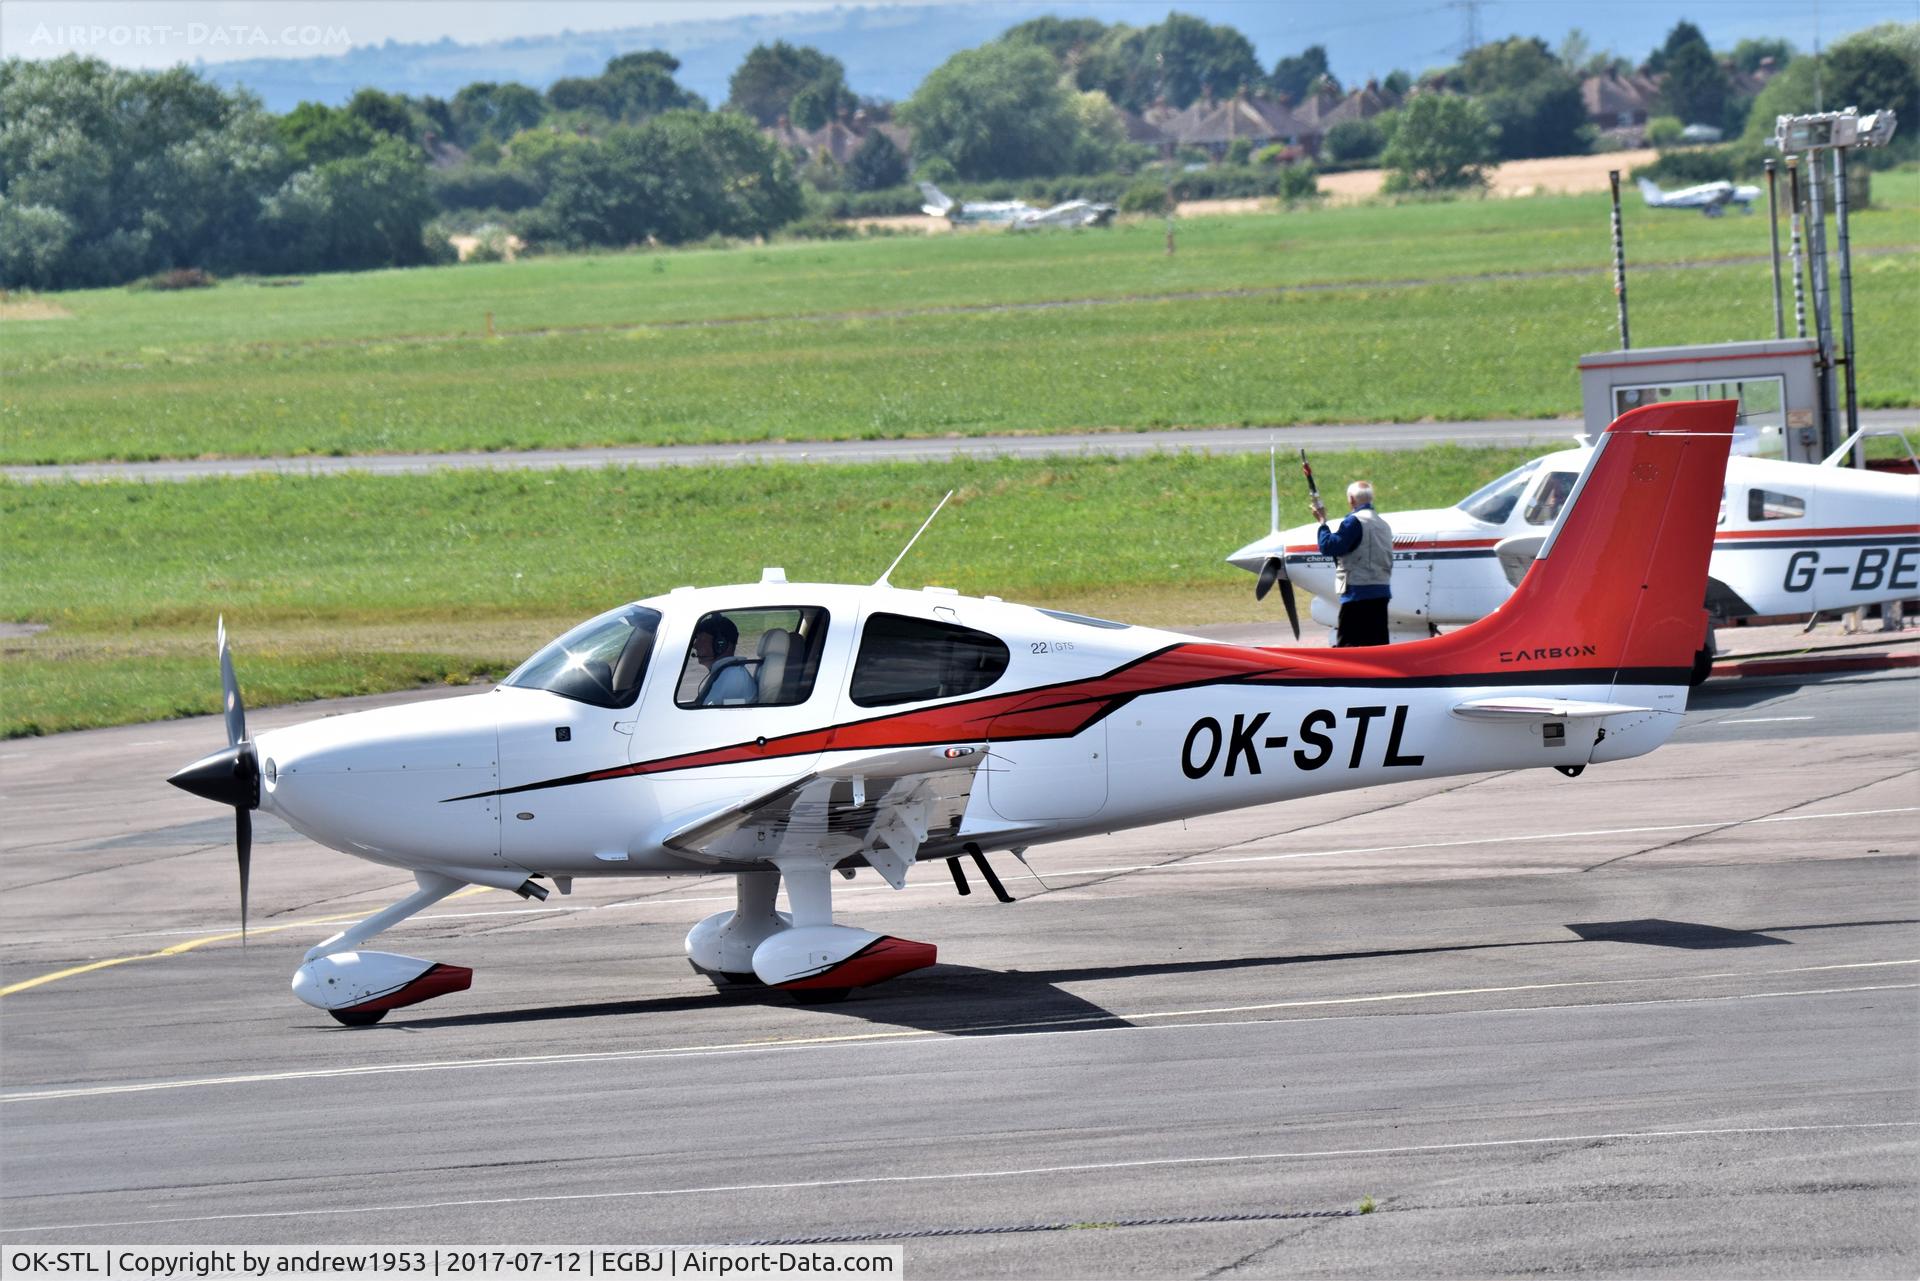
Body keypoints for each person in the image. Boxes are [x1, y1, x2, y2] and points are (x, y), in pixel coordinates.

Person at [1313, 479, 1394, 647]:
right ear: (1371, 499)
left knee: (1349, 644)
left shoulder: (1354, 522)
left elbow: (1329, 546)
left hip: (1357, 594)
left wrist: (1322, 523)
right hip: (1381, 592)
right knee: (1376, 644)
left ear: (1351, 499)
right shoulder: (1383, 524)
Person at [687, 614, 758, 706]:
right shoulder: (725, 672)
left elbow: (722, 717)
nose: (695, 645)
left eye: (702, 638)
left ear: (720, 644)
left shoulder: (733, 676)